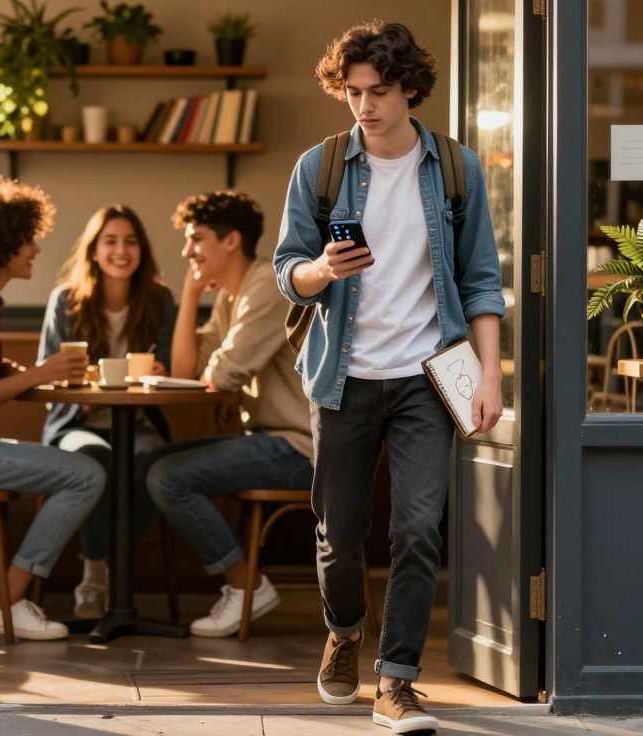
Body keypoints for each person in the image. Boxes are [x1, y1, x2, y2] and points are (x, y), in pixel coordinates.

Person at [274, 22, 505, 733]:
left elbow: (482, 283)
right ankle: (344, 630)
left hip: (424, 379)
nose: (364, 106)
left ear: (409, 87)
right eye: (352, 92)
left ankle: (396, 680)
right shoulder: (322, 167)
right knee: (339, 535)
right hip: (342, 378)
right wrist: (320, 271)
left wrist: (491, 377)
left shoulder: (458, 169)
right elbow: (289, 270)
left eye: (378, 91)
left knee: (416, 529)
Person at [0, 177, 105, 641]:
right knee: (85, 474)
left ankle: (7, 599)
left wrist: (28, 370)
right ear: (3, 241)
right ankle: (5, 601)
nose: (34, 249)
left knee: (83, 472)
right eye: (27, 239)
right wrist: (40, 374)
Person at [144, 190, 315, 638]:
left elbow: (223, 373)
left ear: (231, 241)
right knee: (150, 465)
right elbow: (186, 367)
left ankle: (246, 586)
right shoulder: (231, 296)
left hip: (303, 447)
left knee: (169, 477)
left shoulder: (269, 286)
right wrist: (189, 289)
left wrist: (213, 368)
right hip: (265, 438)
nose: (186, 252)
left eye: (195, 239)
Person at [38, 205, 177, 620]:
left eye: (130, 241)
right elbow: (47, 384)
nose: (121, 250)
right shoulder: (66, 300)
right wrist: (79, 385)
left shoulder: (159, 299)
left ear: (143, 250)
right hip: (76, 423)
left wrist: (160, 371)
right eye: (110, 241)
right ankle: (96, 572)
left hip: (138, 423)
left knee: (152, 459)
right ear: (94, 250)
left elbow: (173, 368)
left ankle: (121, 568)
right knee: (95, 458)